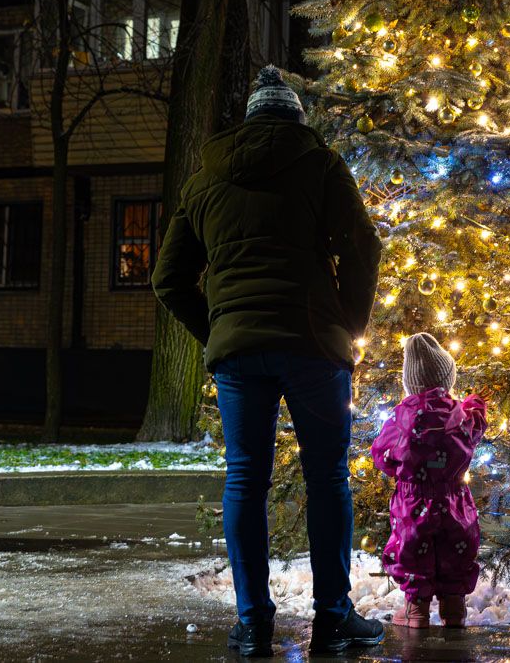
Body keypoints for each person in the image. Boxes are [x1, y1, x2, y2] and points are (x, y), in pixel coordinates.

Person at [151, 65, 384, 657]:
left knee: (245, 479)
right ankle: (333, 618)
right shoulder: (320, 165)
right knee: (327, 476)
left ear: (251, 118)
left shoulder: (205, 180)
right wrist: (348, 322)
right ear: (296, 118)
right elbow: (363, 245)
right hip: (312, 344)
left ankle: (253, 621)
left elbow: (167, 277)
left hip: (239, 353)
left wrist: (217, 328)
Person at [370, 333, 487, 629]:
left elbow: (381, 454)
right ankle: (454, 607)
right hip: (454, 498)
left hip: (413, 498)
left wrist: (403, 472)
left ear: (410, 383)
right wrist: (476, 404)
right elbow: (478, 425)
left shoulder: (400, 417)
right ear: (447, 380)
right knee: (455, 549)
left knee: (412, 549)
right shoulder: (461, 414)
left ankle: (416, 610)